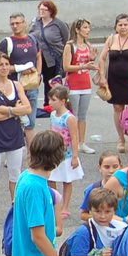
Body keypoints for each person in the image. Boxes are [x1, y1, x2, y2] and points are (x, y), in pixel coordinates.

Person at [0, 51, 30, 226]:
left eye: (6, 64)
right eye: (0, 64)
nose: (4, 67)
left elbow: (28, 108)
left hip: (14, 135)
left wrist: (6, 110)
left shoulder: (16, 85)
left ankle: (16, 206)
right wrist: (14, 111)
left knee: (15, 173)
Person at [99, 14, 128, 151]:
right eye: (120, 25)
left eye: (125, 25)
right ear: (116, 26)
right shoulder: (111, 39)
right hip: (114, 80)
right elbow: (102, 59)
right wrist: (102, 76)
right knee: (117, 109)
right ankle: (121, 138)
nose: (123, 27)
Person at [0, 12, 44, 127]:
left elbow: (38, 57)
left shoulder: (32, 39)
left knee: (30, 123)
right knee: (16, 122)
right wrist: (19, 70)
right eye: (12, 24)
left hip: (32, 86)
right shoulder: (7, 43)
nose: (15, 26)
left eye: (17, 23)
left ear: (24, 23)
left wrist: (38, 74)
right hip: (14, 87)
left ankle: (30, 145)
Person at [46, 85, 83, 223]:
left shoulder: (69, 118)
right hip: (53, 153)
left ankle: (65, 206)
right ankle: (56, 202)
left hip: (66, 155)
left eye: (53, 100)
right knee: (51, 178)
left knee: (67, 180)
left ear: (62, 101)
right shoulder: (52, 115)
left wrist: (75, 156)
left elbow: (74, 137)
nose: (50, 102)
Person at [62, 18, 96, 146]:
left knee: (83, 115)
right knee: (73, 115)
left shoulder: (88, 45)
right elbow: (66, 67)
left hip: (86, 84)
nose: (88, 30)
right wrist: (83, 66)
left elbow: (88, 63)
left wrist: (92, 59)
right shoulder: (70, 46)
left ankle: (82, 142)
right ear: (77, 30)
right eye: (85, 27)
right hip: (73, 85)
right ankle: (72, 142)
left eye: (88, 27)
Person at [31, 0, 71, 85]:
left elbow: (66, 39)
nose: (41, 12)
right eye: (40, 9)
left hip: (53, 59)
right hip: (39, 58)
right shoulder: (36, 22)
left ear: (51, 11)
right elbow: (30, 36)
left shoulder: (59, 24)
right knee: (35, 82)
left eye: (44, 10)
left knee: (51, 85)